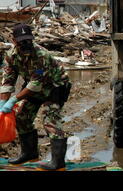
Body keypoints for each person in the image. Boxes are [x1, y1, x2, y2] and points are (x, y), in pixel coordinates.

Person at [0, 23, 72, 171]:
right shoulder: (11, 56)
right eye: (22, 41)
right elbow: (8, 80)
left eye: (28, 40)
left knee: (50, 122)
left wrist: (14, 100)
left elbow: (35, 84)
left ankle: (58, 163)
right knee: (22, 118)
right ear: (14, 41)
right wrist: (3, 102)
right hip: (35, 90)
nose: (26, 44)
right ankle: (30, 153)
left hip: (54, 88)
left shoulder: (41, 55)